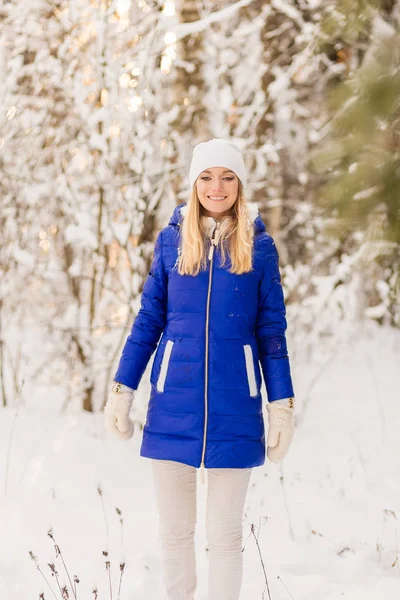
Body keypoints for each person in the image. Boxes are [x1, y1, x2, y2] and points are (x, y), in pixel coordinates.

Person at [104, 138, 295, 600]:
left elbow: (271, 333)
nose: (217, 186)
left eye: (228, 176)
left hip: (236, 408)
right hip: (173, 405)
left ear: (240, 185)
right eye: (207, 176)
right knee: (174, 535)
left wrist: (282, 404)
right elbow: (150, 318)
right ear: (194, 184)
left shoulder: (259, 248)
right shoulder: (171, 243)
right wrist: (123, 386)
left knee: (226, 537)